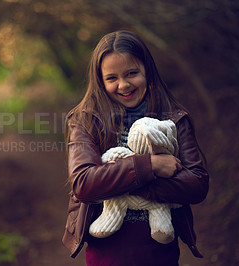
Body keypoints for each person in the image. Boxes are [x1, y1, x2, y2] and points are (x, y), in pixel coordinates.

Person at [62, 30, 209, 265]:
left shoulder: (173, 118)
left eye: (132, 73)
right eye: (112, 78)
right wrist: (148, 166)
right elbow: (83, 183)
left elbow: (197, 185)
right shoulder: (85, 120)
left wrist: (121, 184)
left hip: (160, 253)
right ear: (100, 80)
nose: (124, 84)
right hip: (106, 254)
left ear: (147, 72)